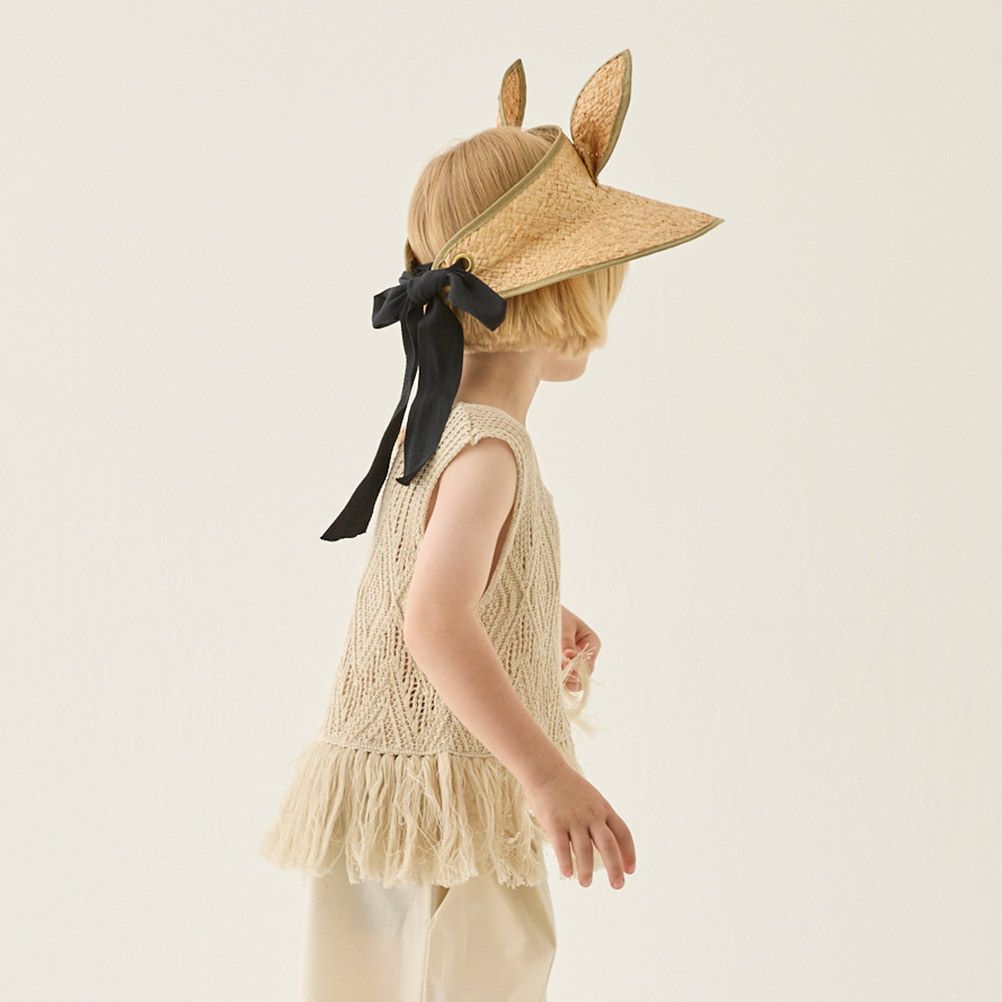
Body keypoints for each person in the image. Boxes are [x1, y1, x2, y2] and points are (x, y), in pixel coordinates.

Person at [259, 48, 723, 1002]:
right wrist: (548, 775)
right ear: (560, 290)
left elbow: (426, 584)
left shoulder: (436, 429)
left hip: (398, 802)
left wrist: (528, 608)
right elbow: (433, 620)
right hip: (448, 812)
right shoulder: (489, 450)